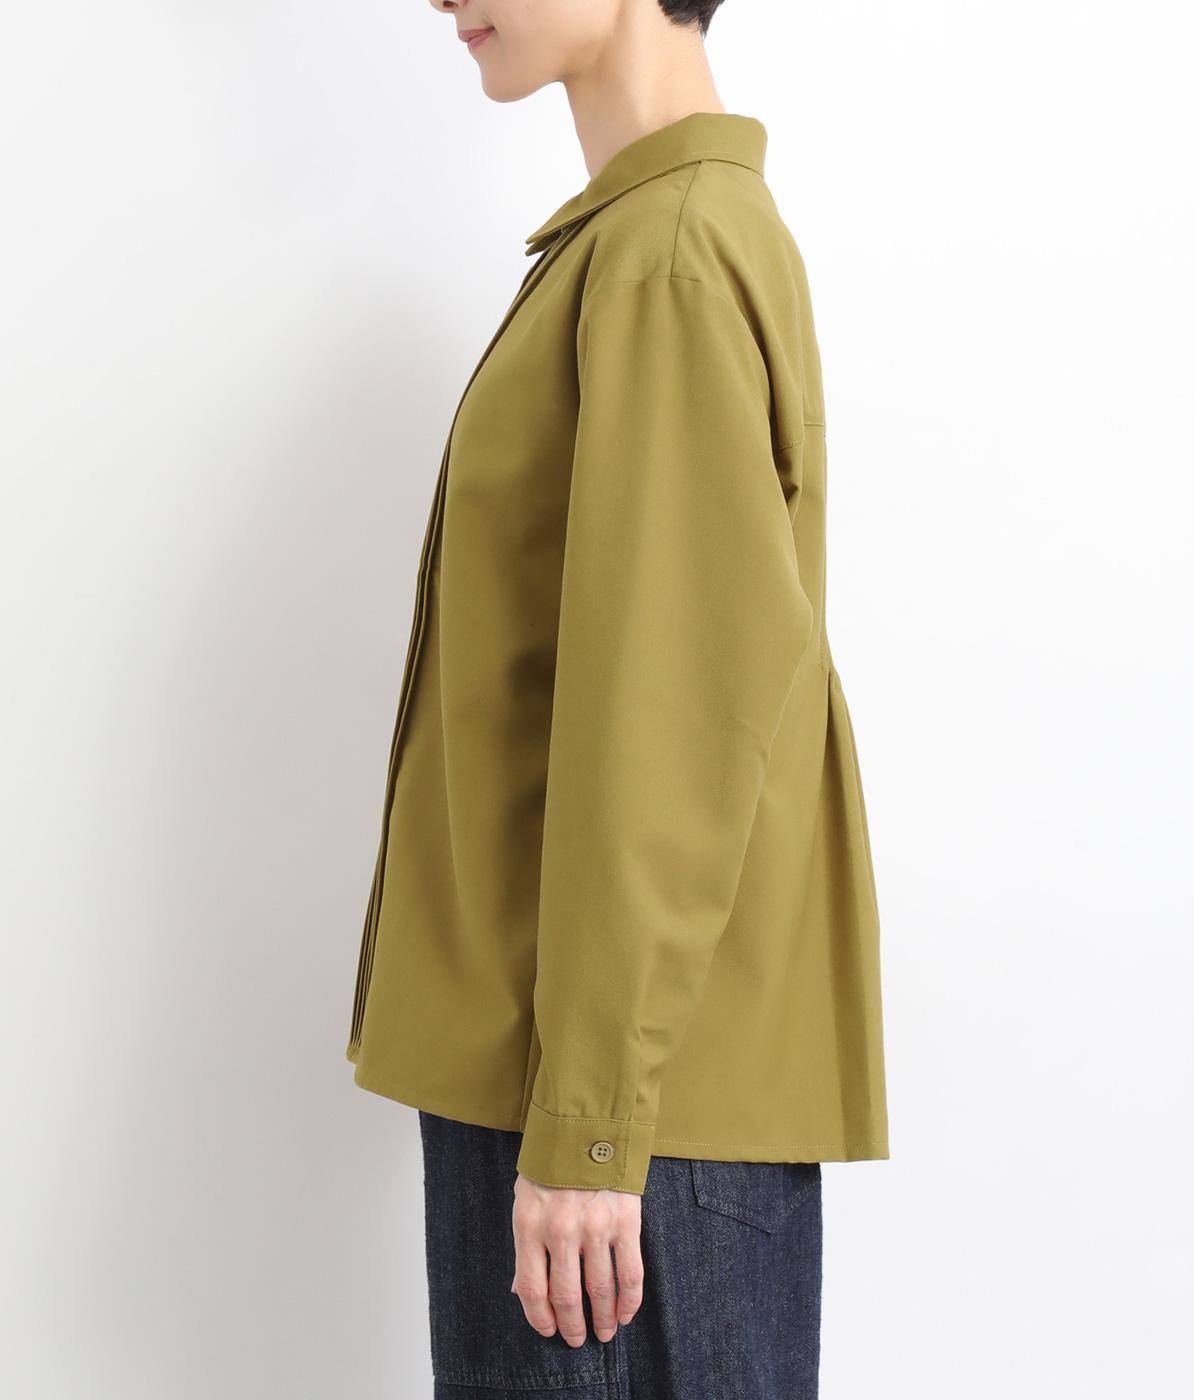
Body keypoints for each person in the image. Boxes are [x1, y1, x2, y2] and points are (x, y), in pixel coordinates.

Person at [346, 2, 889, 1395]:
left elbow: (673, 720)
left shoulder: (666, 255)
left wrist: (589, 1124)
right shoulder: (648, 239)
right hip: (597, 1099)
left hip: (619, 1126)